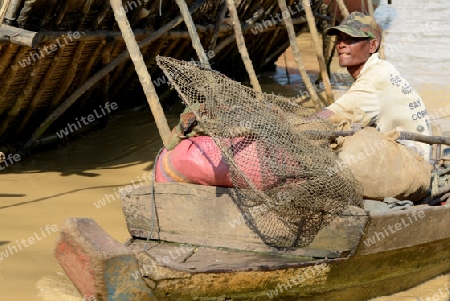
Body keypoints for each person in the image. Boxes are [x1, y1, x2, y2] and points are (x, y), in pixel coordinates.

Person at [316, 12, 432, 162]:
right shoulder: (380, 69)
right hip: (410, 150)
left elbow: (332, 115)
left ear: (372, 45)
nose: (341, 45)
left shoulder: (374, 79)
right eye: (339, 39)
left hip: (412, 160)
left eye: (350, 39)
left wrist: (293, 128)